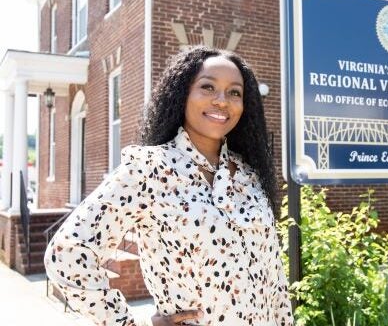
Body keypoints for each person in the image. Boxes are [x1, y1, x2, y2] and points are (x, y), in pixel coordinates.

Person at [44, 47, 293, 326]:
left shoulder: (249, 175)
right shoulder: (148, 170)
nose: (222, 101)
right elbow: (67, 253)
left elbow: (275, 282)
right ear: (182, 93)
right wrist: (128, 323)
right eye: (208, 87)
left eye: (235, 92)